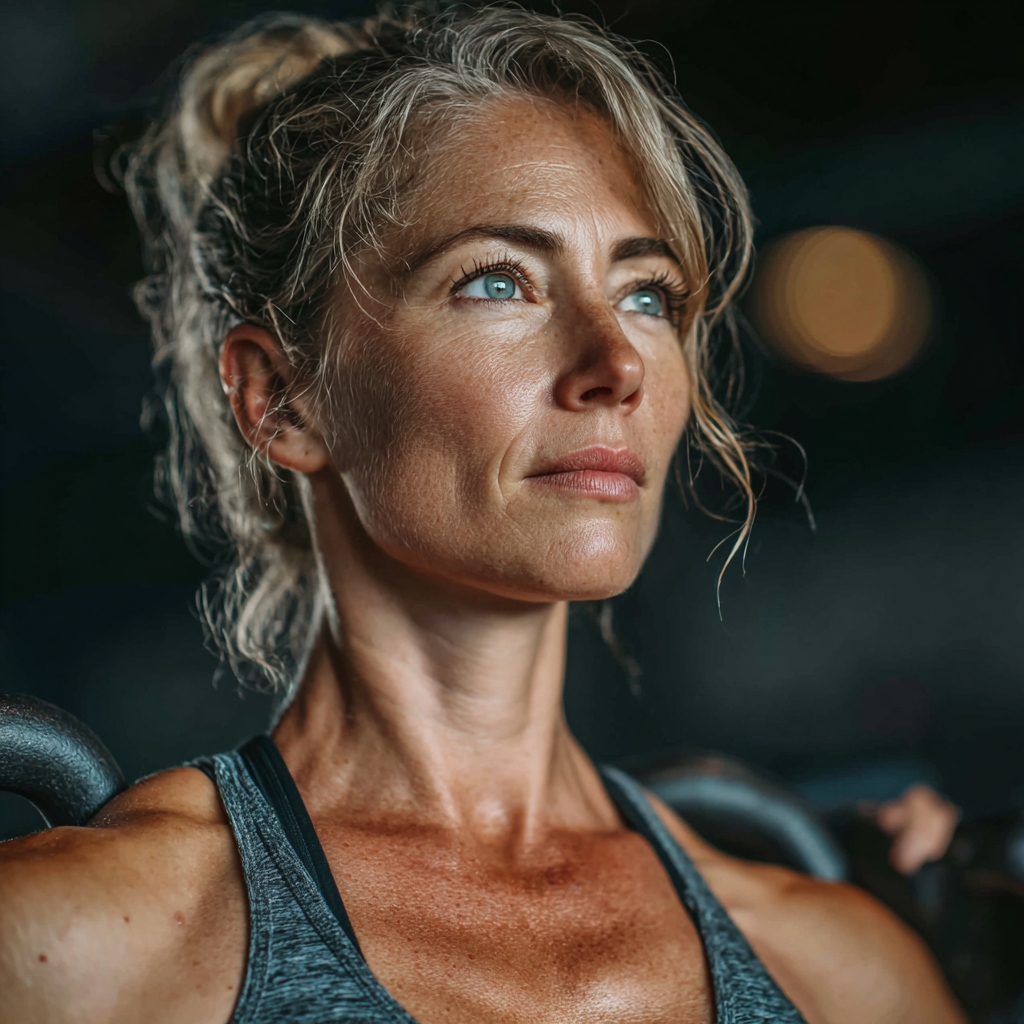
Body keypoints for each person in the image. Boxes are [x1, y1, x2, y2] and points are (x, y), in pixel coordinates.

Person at [0, 7, 966, 1022]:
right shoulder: (79, 942)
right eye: (499, 281)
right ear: (283, 398)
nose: (615, 364)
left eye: (646, 294)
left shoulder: (839, 967)